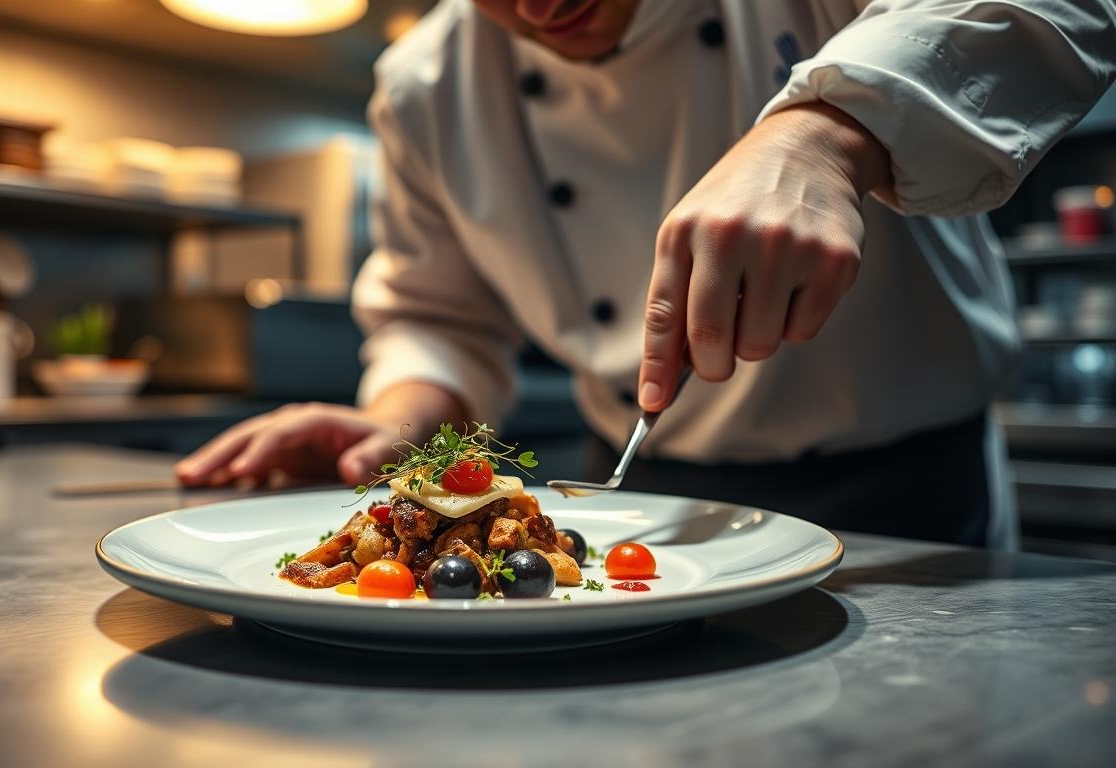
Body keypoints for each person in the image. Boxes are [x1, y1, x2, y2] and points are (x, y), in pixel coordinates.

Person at [177, 0, 1116, 549]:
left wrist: (828, 134)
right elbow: (440, 319)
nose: (542, 8)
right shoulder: (423, 86)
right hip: (637, 498)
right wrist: (399, 433)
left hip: (910, 502)